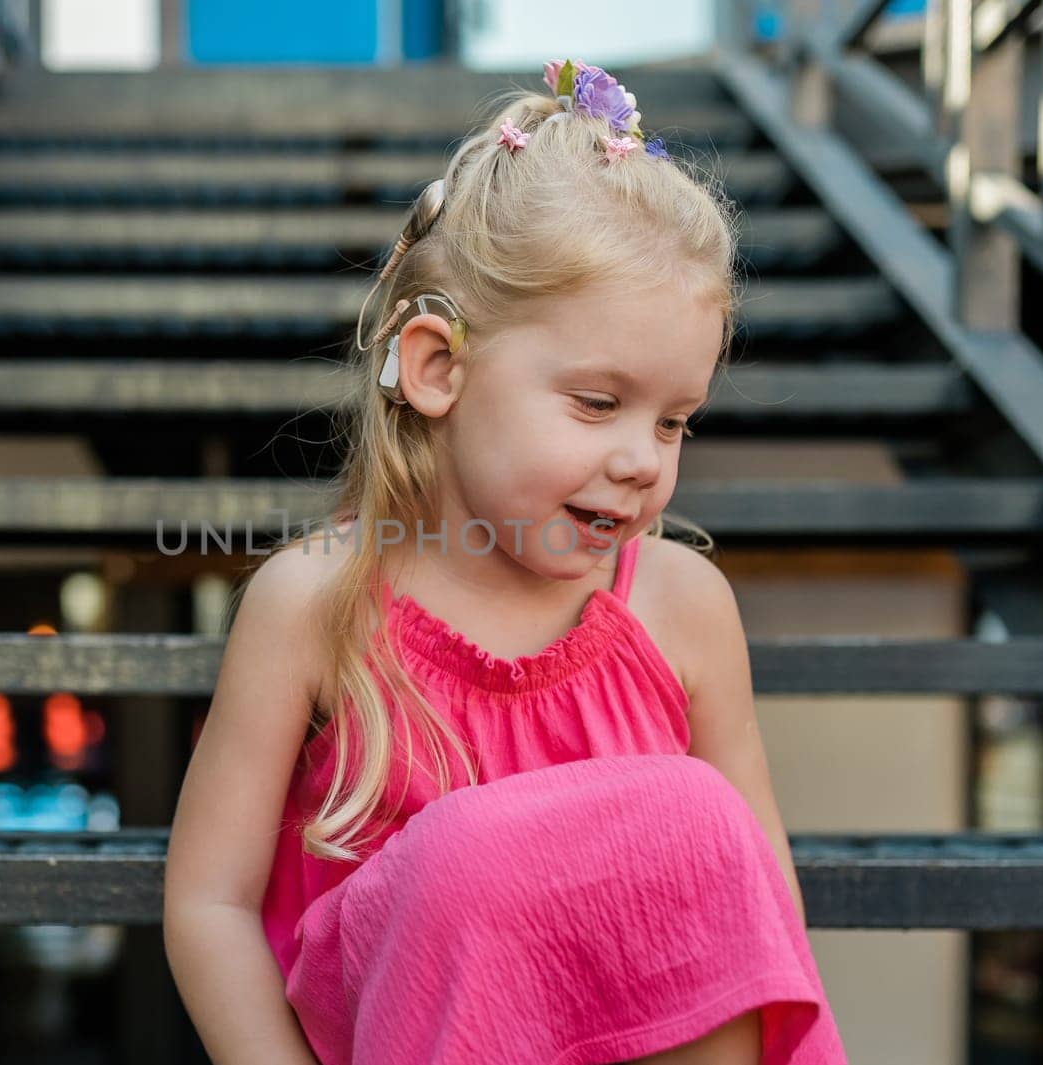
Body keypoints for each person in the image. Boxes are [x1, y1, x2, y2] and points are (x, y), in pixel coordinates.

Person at [164, 59, 848, 1065]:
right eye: (598, 402)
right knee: (470, 852)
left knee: (705, 818)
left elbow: (751, 903)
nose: (639, 460)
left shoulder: (681, 602)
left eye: (675, 421)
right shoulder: (318, 602)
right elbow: (209, 901)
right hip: (424, 1032)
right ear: (440, 368)